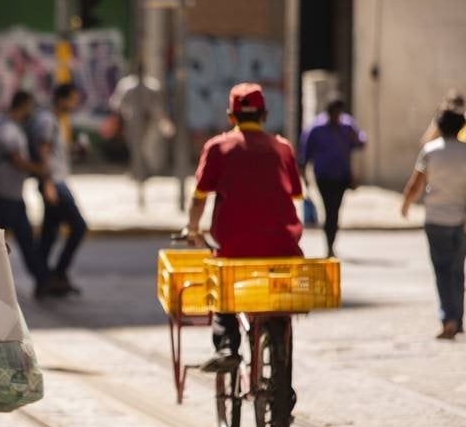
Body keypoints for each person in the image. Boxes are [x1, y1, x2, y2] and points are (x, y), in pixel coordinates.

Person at [185, 83, 304, 372]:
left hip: (234, 248)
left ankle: (227, 344)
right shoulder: (282, 148)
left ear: (231, 116)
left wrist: (192, 229)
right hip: (282, 248)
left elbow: (199, 198)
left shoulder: (217, 147)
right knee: (277, 300)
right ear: (264, 114)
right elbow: (297, 195)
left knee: (221, 283)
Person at [401, 108, 466, 339]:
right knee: (457, 269)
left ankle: (449, 319)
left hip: (437, 218)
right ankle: (459, 319)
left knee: (442, 270)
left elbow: (416, 183)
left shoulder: (430, 150)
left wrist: (406, 204)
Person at [0, 91, 54, 295]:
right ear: (22, 105)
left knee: (17, 240)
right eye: (29, 106)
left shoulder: (11, 127)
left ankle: (42, 279)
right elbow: (17, 159)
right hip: (3, 194)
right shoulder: (7, 129)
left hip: (12, 194)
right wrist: (39, 169)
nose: (31, 111)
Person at [30, 84, 89, 296]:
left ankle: (45, 280)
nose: (74, 104)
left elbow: (54, 151)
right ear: (61, 99)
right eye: (72, 99)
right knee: (79, 226)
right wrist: (47, 184)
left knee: (49, 233)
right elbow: (43, 151)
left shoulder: (57, 120)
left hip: (55, 181)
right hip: (54, 183)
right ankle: (57, 274)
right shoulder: (47, 120)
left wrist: (75, 149)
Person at [298, 96, 367, 258]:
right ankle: (329, 244)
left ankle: (331, 243)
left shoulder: (347, 126)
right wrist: (304, 178)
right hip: (324, 177)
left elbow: (360, 143)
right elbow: (305, 154)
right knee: (329, 210)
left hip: (342, 176)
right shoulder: (316, 128)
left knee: (335, 211)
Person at [110, 62, 174, 208]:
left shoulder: (150, 85)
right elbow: (118, 104)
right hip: (132, 121)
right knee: (135, 146)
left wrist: (163, 122)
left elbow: (157, 107)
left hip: (145, 120)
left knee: (137, 146)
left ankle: (140, 170)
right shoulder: (127, 85)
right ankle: (139, 170)